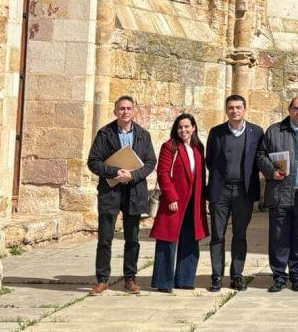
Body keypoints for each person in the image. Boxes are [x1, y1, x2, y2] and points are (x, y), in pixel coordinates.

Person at [86, 95, 157, 295]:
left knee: (132, 238)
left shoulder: (143, 135)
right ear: (115, 111)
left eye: (128, 108)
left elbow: (151, 162)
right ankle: (102, 280)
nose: (125, 112)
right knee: (105, 238)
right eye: (121, 109)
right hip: (111, 190)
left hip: (134, 191)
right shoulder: (105, 133)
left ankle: (130, 279)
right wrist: (115, 172)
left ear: (134, 111)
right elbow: (93, 161)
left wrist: (133, 175)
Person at [256, 96, 298, 293]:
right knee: (279, 236)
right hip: (280, 192)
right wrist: (271, 172)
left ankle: (297, 275)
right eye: (296, 108)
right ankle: (279, 276)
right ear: (289, 109)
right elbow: (261, 155)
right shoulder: (274, 131)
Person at [205, 94, 264, 292]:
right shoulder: (216, 132)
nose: (234, 111)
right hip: (220, 191)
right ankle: (216, 276)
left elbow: (260, 159)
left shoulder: (256, 132)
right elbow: (210, 159)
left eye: (238, 107)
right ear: (226, 110)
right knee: (217, 235)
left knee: (240, 234)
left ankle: (237, 275)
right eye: (231, 108)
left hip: (243, 192)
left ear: (245, 109)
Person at [150, 113, 210, 292]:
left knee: (191, 240)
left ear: (193, 128)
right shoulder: (170, 147)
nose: (183, 130)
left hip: (194, 201)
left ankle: (185, 279)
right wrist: (171, 197)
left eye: (186, 126)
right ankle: (163, 282)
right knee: (167, 240)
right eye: (180, 127)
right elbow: (162, 173)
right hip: (175, 201)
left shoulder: (198, 147)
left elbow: (200, 175)